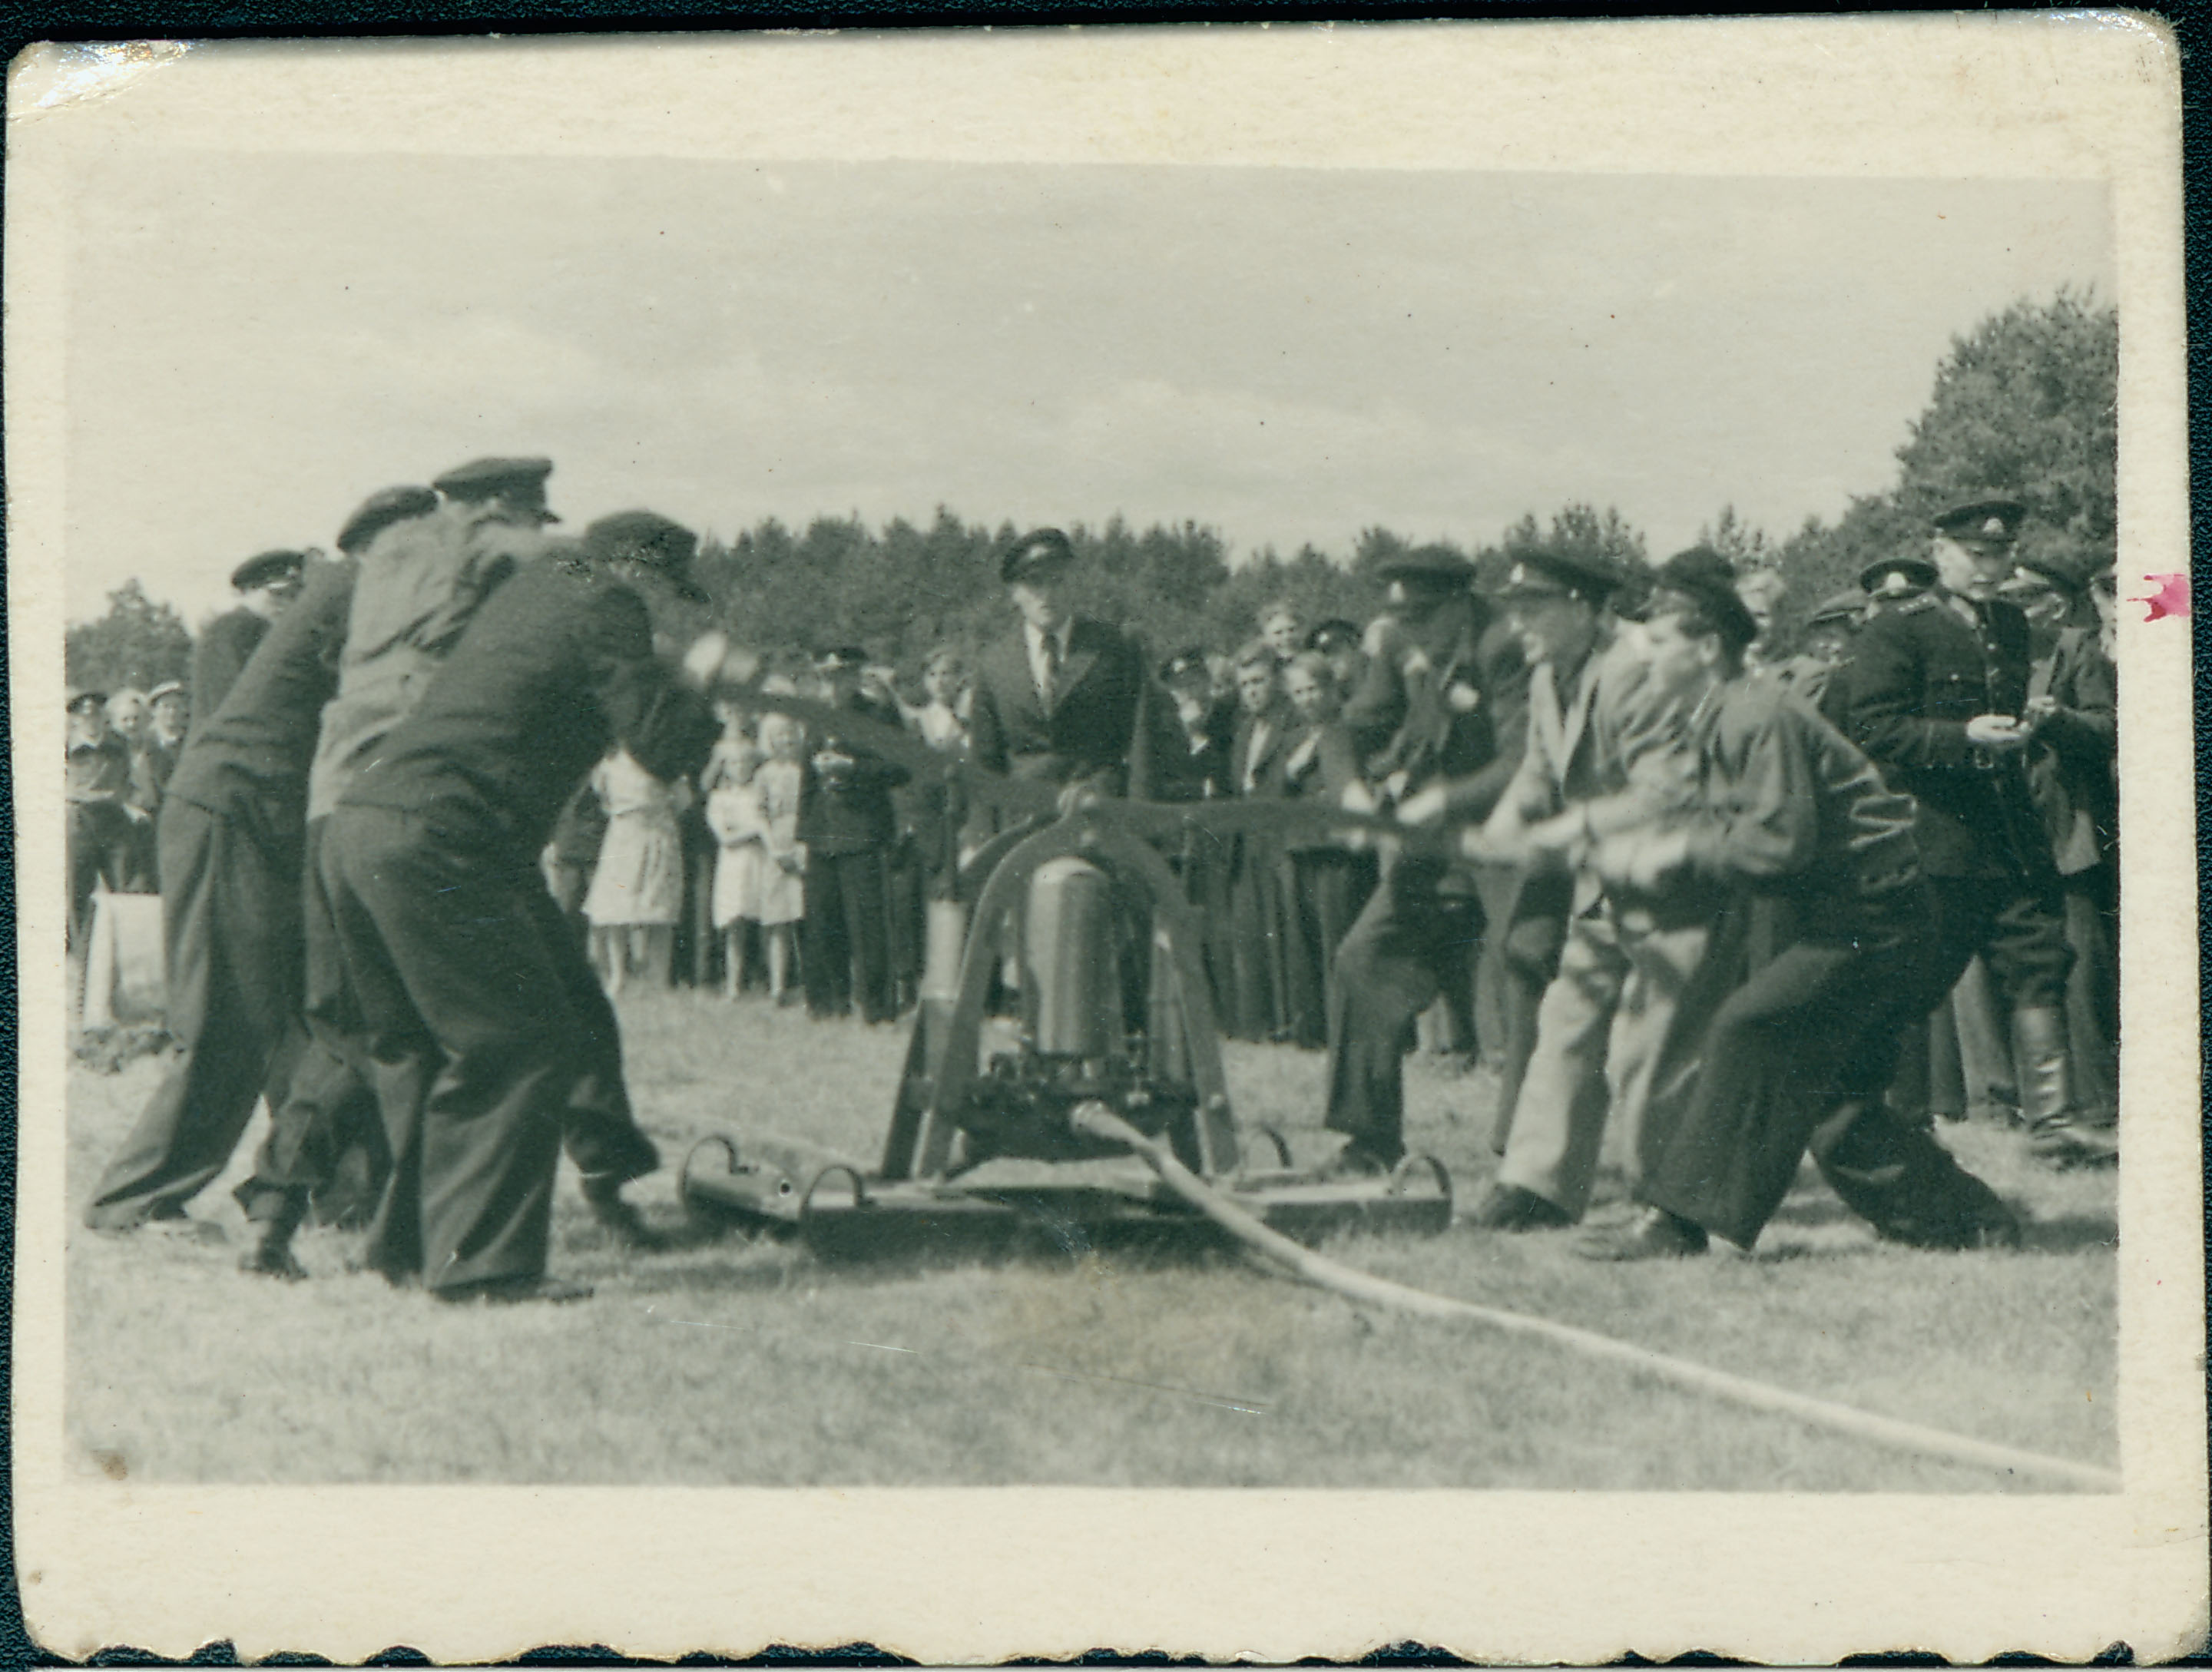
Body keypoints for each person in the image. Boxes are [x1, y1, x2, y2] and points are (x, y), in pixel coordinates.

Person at [321, 508, 730, 1303]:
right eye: (664, 590)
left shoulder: (543, 582)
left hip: (369, 825)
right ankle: (483, 1268)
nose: (664, 608)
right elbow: (658, 740)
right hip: (445, 837)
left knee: (443, 1045)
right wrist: (700, 682)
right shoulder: (610, 599)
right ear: (642, 570)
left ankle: (402, 1249)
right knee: (515, 1039)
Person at [1571, 550, 2020, 1259]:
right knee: (1835, 1098)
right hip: (1849, 913)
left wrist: (1677, 852)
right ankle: (1966, 1220)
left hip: (1875, 917)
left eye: (1660, 644)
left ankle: (1675, 1223)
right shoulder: (1723, 710)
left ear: (1708, 647)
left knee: (1748, 1030)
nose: (1645, 658)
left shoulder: (1756, 714)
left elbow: (1777, 844)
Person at [81, 550, 358, 1237]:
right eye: (271, 586)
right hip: (232, 821)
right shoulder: (234, 635)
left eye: (294, 584)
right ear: (242, 592)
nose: (284, 593)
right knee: (227, 1016)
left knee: (297, 1018)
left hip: (268, 832)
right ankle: (135, 1200)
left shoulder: (292, 645)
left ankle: (329, 1189)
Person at [1841, 497, 2109, 1167]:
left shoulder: (2011, 623)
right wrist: (1960, 737)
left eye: (2004, 554)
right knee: (1915, 977)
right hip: (1935, 837)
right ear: (1941, 552)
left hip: (2009, 834)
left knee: (2039, 960)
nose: (1996, 567)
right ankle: (1896, 1121)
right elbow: (1871, 728)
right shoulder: (1899, 629)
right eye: (1980, 554)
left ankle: (2052, 1124)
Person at [1462, 545, 1714, 1231]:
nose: (1519, 625)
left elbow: (1667, 790)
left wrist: (1562, 831)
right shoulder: (1551, 673)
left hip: (1676, 881)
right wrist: (1504, 824)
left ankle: (1669, 1209)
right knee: (1564, 1025)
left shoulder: (1636, 669)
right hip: (1606, 882)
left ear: (1582, 608)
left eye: (1533, 609)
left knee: (1650, 1047)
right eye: (1512, 610)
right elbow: (1540, 771)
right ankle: (1538, 1187)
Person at [1320, 546, 1513, 1173]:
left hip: (1514, 842)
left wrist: (1438, 799)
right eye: (1405, 616)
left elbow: (1523, 761)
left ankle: (1531, 1169)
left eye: (1427, 614)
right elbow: (1349, 727)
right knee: (1362, 960)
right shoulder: (1401, 645)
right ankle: (1368, 1143)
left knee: (1529, 980)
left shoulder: (1504, 645)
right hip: (1437, 850)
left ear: (1461, 603)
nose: (1414, 628)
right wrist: (1350, 788)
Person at [966, 527, 1158, 809]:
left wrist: (1141, 821)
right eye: (1035, 583)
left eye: (1057, 581)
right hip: (1023, 821)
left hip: (1101, 814)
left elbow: (1143, 743)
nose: (1047, 594)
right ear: (1015, 594)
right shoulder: (993, 664)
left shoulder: (1115, 647)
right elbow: (984, 765)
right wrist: (981, 839)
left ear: (1074, 583)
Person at [800, 647, 911, 1024]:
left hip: (863, 829)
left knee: (868, 924)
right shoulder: (816, 716)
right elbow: (806, 778)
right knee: (822, 920)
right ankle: (828, 1004)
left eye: (841, 675)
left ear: (855, 676)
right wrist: (803, 834)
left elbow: (901, 767)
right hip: (822, 832)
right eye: (826, 677)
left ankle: (876, 1007)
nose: (832, 684)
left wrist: (855, 767)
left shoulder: (878, 713)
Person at [1274, 650, 1376, 1049]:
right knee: (1307, 944)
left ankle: (1348, 1031)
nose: (1308, 699)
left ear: (1332, 688)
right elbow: (1275, 792)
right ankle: (1315, 1031)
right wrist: (1291, 768)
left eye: (1314, 688)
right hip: (1303, 848)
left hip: (1339, 850)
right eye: (1298, 692)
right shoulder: (1291, 739)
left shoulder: (1352, 728)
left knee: (1341, 938)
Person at [1222, 639, 1294, 1041]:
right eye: (1244, 684)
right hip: (1248, 845)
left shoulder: (1292, 723)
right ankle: (1258, 1024)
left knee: (1284, 933)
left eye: (1259, 681)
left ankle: (1290, 1023)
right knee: (1251, 934)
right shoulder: (1243, 731)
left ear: (1277, 681)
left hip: (1280, 843)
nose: (1251, 690)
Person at [583, 744, 690, 995]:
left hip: (657, 834)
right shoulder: (609, 763)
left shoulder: (663, 759)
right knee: (616, 907)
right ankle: (618, 976)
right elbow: (602, 796)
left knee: (659, 908)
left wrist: (658, 814)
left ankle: (657, 979)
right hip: (622, 835)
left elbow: (684, 799)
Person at [190, 548, 306, 727]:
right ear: (247, 592)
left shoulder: (241, 629)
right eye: (277, 595)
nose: (287, 604)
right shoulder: (238, 629)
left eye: (293, 596)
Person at [65, 687, 141, 959]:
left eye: (96, 713)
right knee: (77, 893)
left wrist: (131, 803)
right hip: (80, 821)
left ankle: (128, 955)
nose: (91, 718)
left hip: (115, 821)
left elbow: (131, 780)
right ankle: (82, 959)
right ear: (75, 718)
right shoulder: (64, 745)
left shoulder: (118, 744)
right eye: (84, 714)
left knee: (127, 887)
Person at [749, 710, 811, 1005]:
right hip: (775, 843)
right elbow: (758, 812)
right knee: (778, 919)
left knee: (807, 915)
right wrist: (773, 846)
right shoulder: (764, 774)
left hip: (805, 841)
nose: (786, 739)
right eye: (779, 735)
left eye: (790, 732)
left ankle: (812, 984)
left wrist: (803, 845)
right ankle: (778, 986)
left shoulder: (806, 769)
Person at [1258, 599, 1304, 663]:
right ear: (1265, 637)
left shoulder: (1315, 661)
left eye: (1292, 630)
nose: (1287, 636)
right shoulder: (1262, 667)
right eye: (1278, 633)